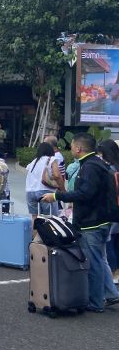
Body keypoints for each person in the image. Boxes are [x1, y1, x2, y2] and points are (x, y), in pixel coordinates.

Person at [41, 133, 119, 312]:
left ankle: (96, 302)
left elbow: (85, 193)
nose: (70, 149)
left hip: (92, 222)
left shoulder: (90, 167)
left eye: (72, 146)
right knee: (99, 260)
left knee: (94, 263)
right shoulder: (98, 164)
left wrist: (56, 195)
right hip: (99, 220)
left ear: (78, 148)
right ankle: (109, 294)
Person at [96, 140, 119, 284]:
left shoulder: (109, 168)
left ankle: (114, 272)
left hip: (112, 209)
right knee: (117, 240)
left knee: (110, 241)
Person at [24, 142, 64, 222]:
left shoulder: (34, 161)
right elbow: (57, 175)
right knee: (51, 218)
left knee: (35, 218)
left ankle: (35, 234)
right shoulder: (52, 159)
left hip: (30, 192)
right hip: (45, 191)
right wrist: (63, 190)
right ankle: (49, 234)